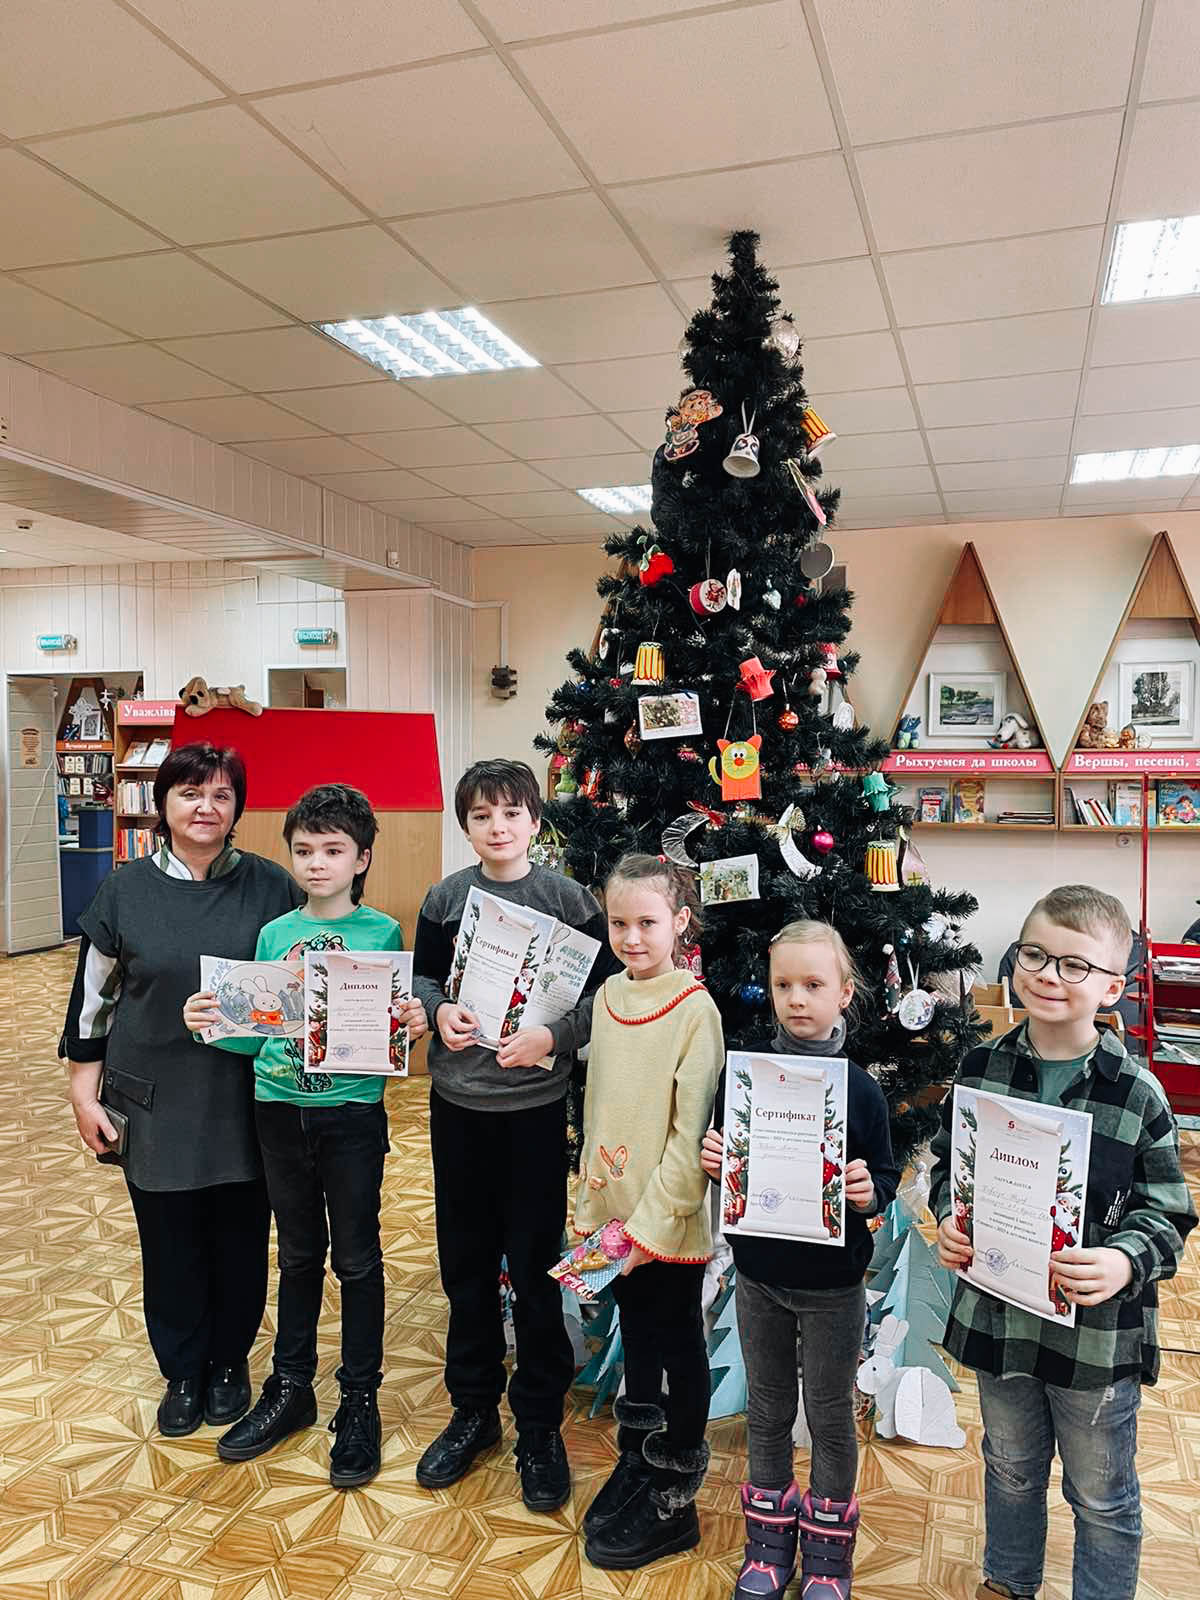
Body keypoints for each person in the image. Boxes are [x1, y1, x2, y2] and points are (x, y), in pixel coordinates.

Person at [931, 885, 1197, 1600]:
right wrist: (951, 1219)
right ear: (1016, 962)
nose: (1050, 975)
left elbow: (1169, 1215)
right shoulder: (980, 1069)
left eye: (1076, 965)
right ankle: (1008, 1580)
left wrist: (1121, 1261)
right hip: (1001, 1320)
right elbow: (949, 1168)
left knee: (1101, 1495)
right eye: (1036, 956)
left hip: (1094, 1342)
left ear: (1113, 986)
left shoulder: (1137, 1093)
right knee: (1010, 1468)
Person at [183, 783, 426, 1488]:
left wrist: (409, 1024)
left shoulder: (382, 933)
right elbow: (254, 1035)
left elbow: (387, 1037)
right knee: (296, 1255)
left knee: (357, 1259)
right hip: (278, 1109)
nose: (317, 863)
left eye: (333, 850)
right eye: (304, 850)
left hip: (351, 1115)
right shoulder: (274, 935)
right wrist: (209, 1022)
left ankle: (359, 1399)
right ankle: (291, 1387)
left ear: (361, 858)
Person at [60, 742, 302, 1438]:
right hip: (153, 1097)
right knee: (169, 1242)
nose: (206, 807)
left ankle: (228, 1363)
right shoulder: (124, 890)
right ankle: (183, 1370)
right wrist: (84, 1095)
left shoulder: (272, 886)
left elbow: (304, 975)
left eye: (222, 795)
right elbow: (92, 1004)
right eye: (191, 793)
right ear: (163, 804)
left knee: (240, 1236)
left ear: (238, 808)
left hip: (246, 1095)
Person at [411, 759, 613, 1513]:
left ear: (534, 820)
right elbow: (423, 979)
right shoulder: (446, 898)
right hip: (458, 1105)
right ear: (465, 825)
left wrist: (553, 1038)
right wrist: (439, 1011)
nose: (497, 827)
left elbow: (602, 996)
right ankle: (472, 1411)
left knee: (533, 1268)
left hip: (532, 1110)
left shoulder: (569, 901)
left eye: (511, 813)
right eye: (481, 816)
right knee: (464, 1264)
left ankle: (538, 1424)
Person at [700, 920, 898, 1600]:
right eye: (783, 984)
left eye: (814, 985)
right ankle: (767, 1543)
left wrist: (870, 1190)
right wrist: (714, 1157)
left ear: (844, 993)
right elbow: (724, 1153)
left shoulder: (861, 1091)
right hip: (759, 1277)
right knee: (767, 1408)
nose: (796, 998)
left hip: (834, 1285)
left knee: (830, 1413)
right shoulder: (745, 1076)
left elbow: (884, 1177)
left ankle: (828, 1554)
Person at [577, 853, 724, 1571]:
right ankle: (639, 1459)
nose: (632, 937)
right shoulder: (608, 995)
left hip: (665, 1223)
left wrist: (647, 1229)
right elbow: (598, 1107)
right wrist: (592, 1205)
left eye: (647, 922)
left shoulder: (696, 1011)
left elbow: (689, 1138)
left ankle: (673, 1495)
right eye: (618, 923)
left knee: (677, 1343)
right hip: (614, 1217)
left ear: (679, 922)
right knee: (634, 1337)